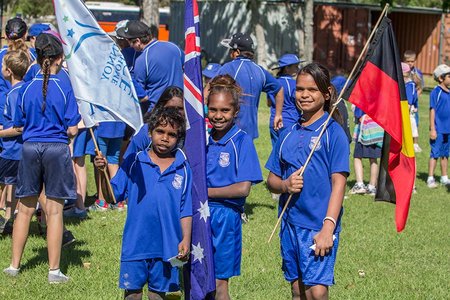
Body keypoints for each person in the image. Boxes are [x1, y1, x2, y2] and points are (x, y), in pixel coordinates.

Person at [265, 62, 349, 300]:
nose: (304, 95)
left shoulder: (334, 133)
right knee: (296, 288)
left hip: (318, 225)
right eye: (300, 89)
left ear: (326, 93)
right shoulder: (287, 132)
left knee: (317, 291)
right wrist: (284, 185)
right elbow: (272, 179)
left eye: (311, 90)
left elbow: (339, 184)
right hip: (290, 223)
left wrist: (328, 227)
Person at [3, 33, 81, 283]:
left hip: (29, 148)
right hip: (56, 149)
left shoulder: (24, 88)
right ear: (59, 58)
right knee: (55, 211)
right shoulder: (64, 85)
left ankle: (14, 266)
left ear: (36, 57)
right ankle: (54, 271)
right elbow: (72, 126)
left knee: (24, 209)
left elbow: (18, 123)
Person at [94, 107, 192, 299]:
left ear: (178, 138)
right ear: (150, 132)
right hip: (136, 243)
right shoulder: (134, 161)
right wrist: (102, 172)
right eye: (160, 131)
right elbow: (114, 196)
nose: (165, 138)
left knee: (158, 295)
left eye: (172, 134)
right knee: (133, 294)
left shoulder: (184, 167)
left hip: (167, 245)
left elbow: (185, 208)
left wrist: (185, 239)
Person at [206, 75, 263, 300]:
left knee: (220, 283)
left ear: (236, 111)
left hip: (225, 217)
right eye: (213, 109)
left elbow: (243, 188)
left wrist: (204, 193)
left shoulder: (241, 141)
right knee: (198, 277)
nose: (218, 116)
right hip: (198, 215)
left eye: (224, 110)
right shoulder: (202, 139)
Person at [217, 33, 283, 139]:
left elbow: (209, 90)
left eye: (231, 51)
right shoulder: (260, 71)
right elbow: (279, 89)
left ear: (237, 52)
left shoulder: (228, 68)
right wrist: (278, 115)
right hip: (251, 132)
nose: (230, 54)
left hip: (230, 129)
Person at [117, 21, 184, 113]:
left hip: (156, 113)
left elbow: (141, 95)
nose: (130, 46)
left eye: (129, 42)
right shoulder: (174, 48)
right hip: (179, 109)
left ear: (137, 41)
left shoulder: (142, 60)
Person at [0, 50, 29, 234]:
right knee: (14, 185)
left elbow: (19, 127)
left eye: (2, 66)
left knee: (7, 182)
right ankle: (9, 221)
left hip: (12, 149)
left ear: (9, 71)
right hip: (20, 149)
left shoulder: (13, 94)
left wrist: (1, 133)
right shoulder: (27, 88)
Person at [123, 86, 184, 160]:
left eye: (180, 109)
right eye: (171, 108)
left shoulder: (190, 132)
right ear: (161, 107)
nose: (175, 112)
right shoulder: (146, 131)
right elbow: (128, 161)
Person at [268, 54, 302, 147]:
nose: (298, 69)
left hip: (274, 122)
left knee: (276, 153)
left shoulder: (273, 83)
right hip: (290, 121)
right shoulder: (294, 84)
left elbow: (269, 103)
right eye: (295, 67)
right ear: (287, 68)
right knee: (290, 154)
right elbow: (299, 103)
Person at [348, 106, 383, 195]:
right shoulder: (380, 92)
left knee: (357, 156)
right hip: (376, 127)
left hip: (365, 127)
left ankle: (360, 184)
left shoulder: (362, 92)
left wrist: (358, 114)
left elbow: (359, 109)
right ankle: (372, 186)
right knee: (373, 158)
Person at [427, 64, 450, 188]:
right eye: (449, 76)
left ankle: (444, 177)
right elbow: (432, 110)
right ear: (441, 78)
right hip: (438, 129)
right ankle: (430, 177)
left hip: (448, 129)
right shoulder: (436, 92)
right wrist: (433, 129)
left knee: (445, 154)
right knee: (435, 153)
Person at [402, 62, 421, 153]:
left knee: (412, 127)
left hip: (408, 112)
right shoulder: (406, 85)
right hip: (406, 110)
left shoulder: (410, 85)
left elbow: (409, 101)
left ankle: (414, 144)